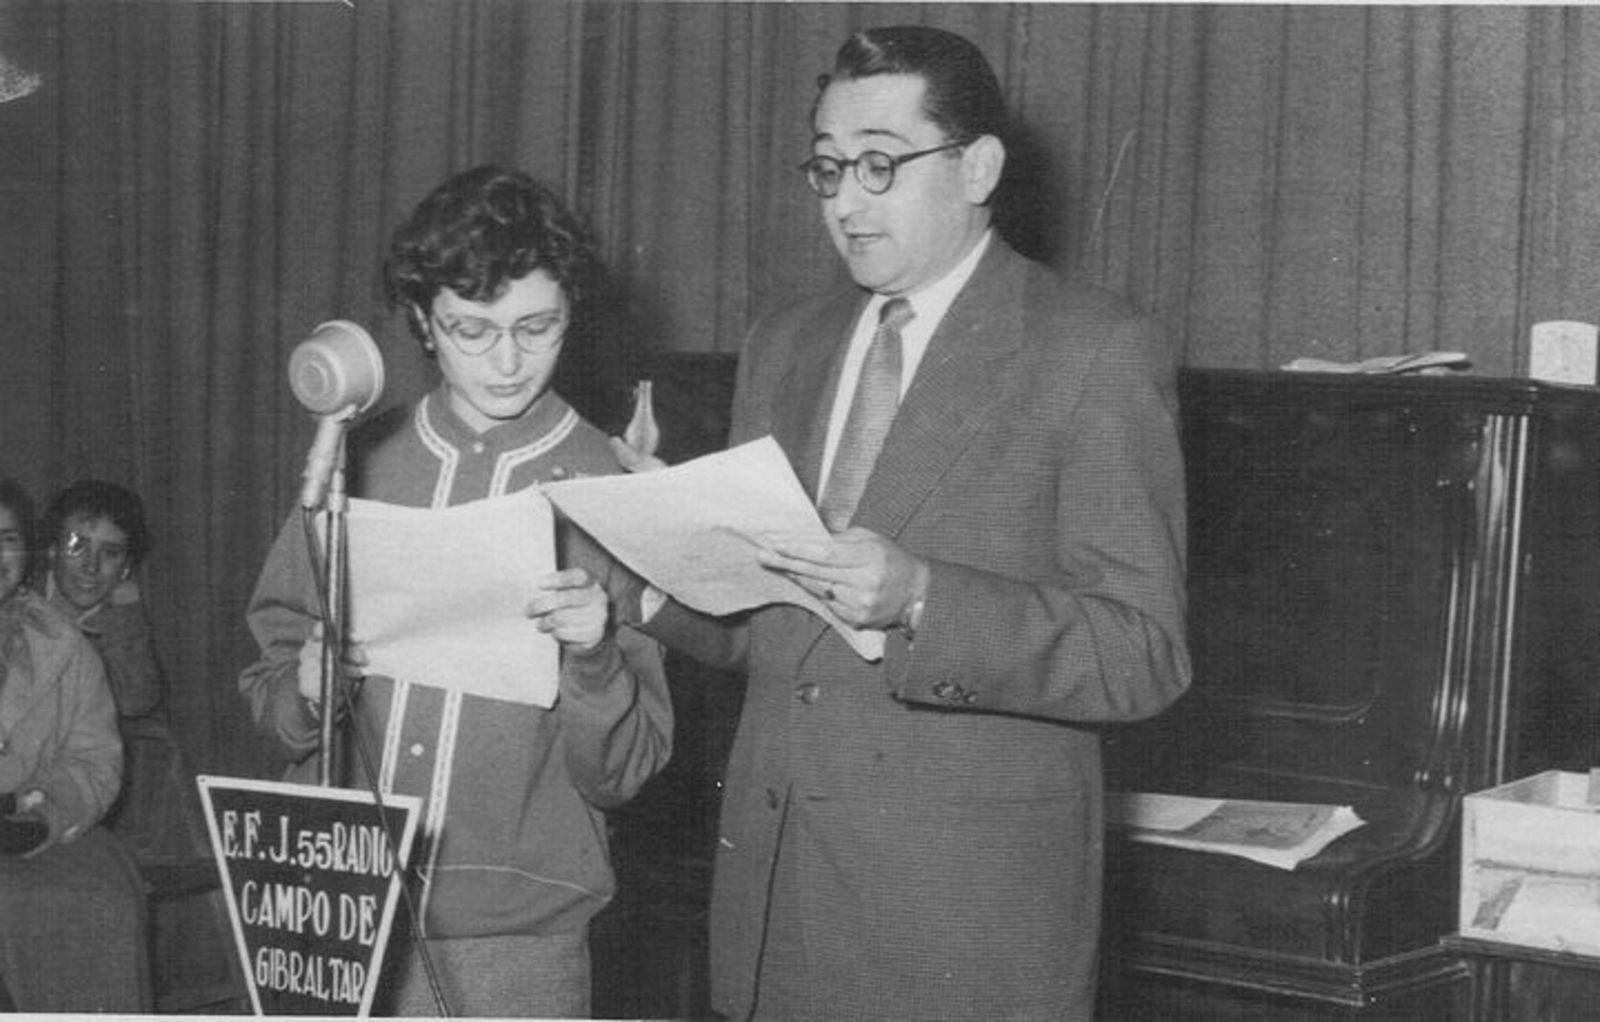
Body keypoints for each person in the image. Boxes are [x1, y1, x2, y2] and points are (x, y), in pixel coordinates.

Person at [625, 25, 1191, 1020]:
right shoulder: (783, 345)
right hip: (775, 911)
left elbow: (1142, 651)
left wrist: (925, 595)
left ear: (976, 167)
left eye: (880, 164)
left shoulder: (1093, 348)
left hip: (959, 930)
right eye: (828, 167)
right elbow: (774, 638)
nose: (844, 200)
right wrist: (649, 559)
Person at [238, 166, 673, 1018]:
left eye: (535, 326)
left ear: (572, 316)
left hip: (519, 943)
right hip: (337, 912)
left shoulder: (619, 490)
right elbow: (269, 683)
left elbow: (627, 772)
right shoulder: (355, 461)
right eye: (471, 330)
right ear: (423, 325)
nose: (507, 361)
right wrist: (305, 690)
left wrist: (593, 656)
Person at [0, 477, 148, 1011]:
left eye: (8, 538)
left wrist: (42, 811)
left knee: (99, 896)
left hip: (25, 826)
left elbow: (94, 759)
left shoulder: (64, 645)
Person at [42, 480, 164, 725]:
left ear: (126, 567)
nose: (91, 566)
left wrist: (126, 616)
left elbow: (134, 702)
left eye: (110, 553)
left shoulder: (123, 620)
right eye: (77, 547)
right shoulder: (18, 601)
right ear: (52, 549)